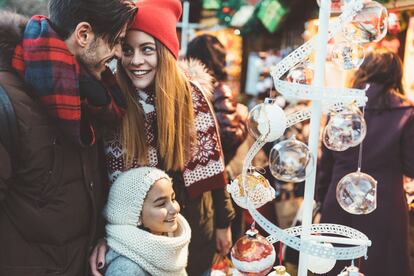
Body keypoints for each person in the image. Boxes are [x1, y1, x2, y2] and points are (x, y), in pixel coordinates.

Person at [0, 0, 137, 274]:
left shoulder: (87, 95)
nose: (120, 54)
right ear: (84, 35)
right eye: (117, 41)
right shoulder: (8, 101)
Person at [101, 0, 235, 275]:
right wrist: (101, 237)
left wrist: (224, 223)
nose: (136, 60)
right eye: (128, 50)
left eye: (147, 49)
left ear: (164, 52)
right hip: (137, 240)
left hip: (195, 230)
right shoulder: (112, 100)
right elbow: (103, 181)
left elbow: (215, 170)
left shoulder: (192, 98)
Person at [317, 47, 414, 276]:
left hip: (340, 197)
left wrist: (322, 199)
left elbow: (326, 162)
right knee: (382, 264)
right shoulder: (406, 111)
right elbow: (411, 166)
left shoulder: (341, 107)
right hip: (385, 203)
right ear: (394, 74)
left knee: (337, 263)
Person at [103, 167, 191, 276]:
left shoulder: (169, 248)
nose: (175, 209)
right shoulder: (126, 269)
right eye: (161, 204)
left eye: (173, 199)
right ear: (137, 215)